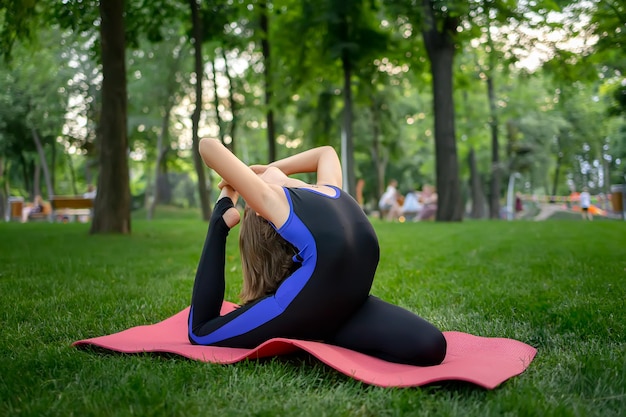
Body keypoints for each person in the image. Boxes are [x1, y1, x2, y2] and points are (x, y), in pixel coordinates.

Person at [188, 139, 446, 366]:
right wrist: (262, 174)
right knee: (201, 333)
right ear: (261, 211)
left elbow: (208, 146)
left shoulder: (318, 192)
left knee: (431, 345)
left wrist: (253, 176)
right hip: (315, 301)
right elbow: (326, 153)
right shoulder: (327, 192)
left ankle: (315, 329)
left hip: (343, 306)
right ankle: (219, 222)